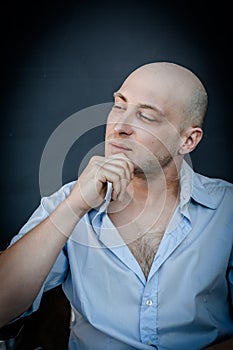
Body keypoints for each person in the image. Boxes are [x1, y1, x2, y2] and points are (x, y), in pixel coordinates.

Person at [0, 62, 232, 350]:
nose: (120, 127)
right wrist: (75, 206)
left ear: (188, 140)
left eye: (146, 116)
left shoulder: (227, 210)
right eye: (119, 105)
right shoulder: (68, 203)